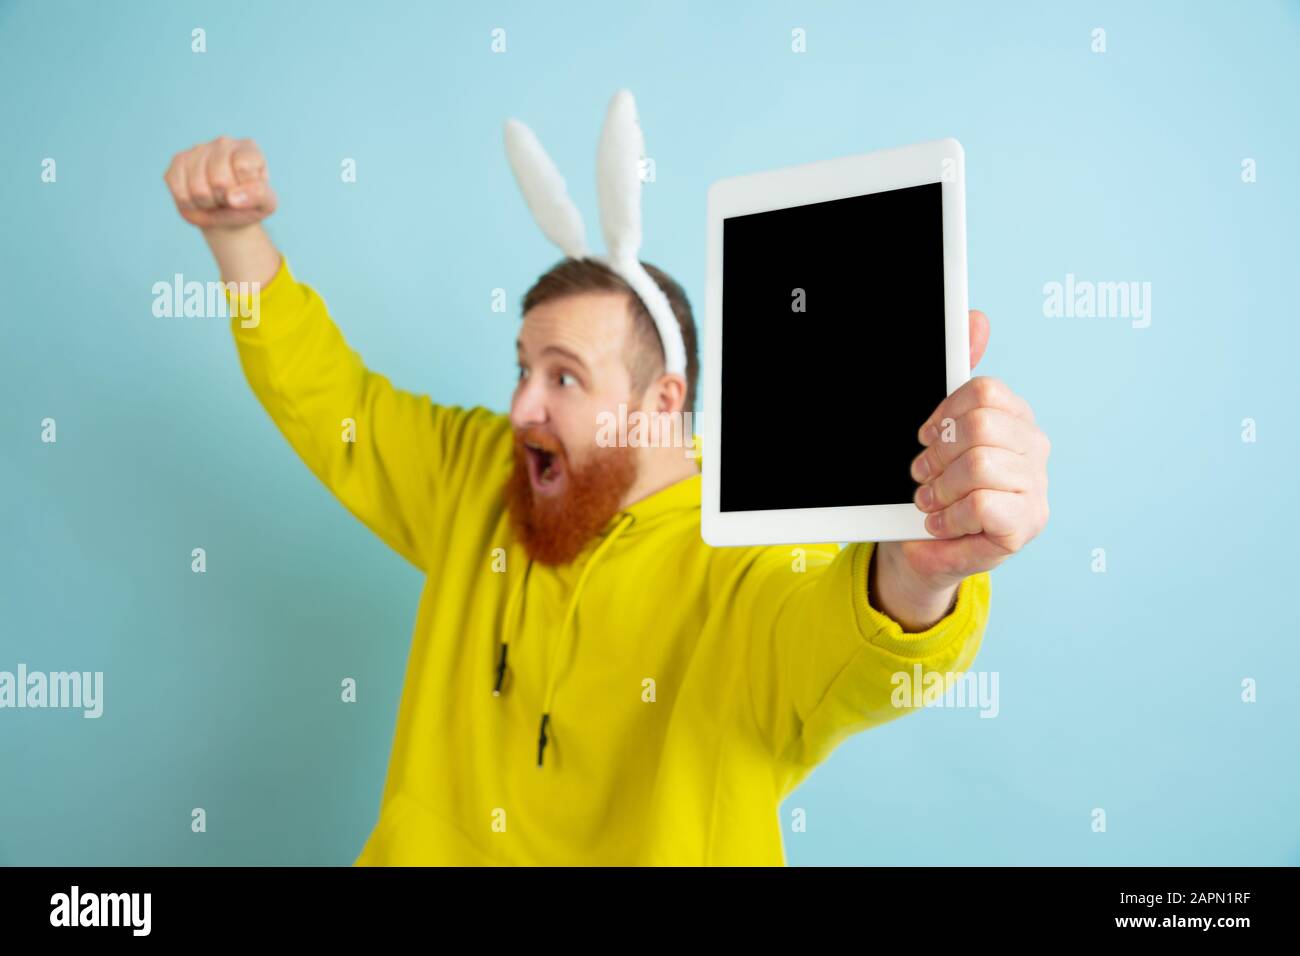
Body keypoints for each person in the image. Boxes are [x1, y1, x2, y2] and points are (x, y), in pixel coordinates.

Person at [162, 134, 1050, 865]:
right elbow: (338, 404)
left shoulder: (749, 567)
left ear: (660, 401)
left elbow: (842, 638)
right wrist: (235, 240)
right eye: (522, 368)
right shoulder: (483, 476)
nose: (520, 407)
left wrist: (922, 570)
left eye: (563, 378)